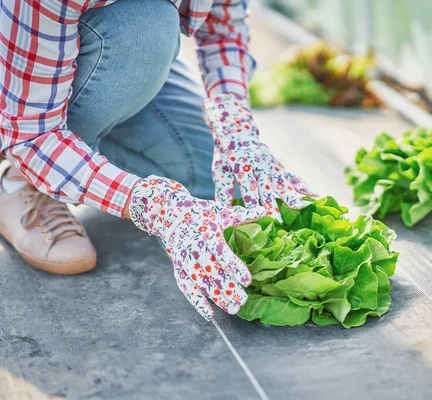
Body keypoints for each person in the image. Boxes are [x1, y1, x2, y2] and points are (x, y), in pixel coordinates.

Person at [0, 0, 315, 321]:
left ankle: (82, 142)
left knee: (207, 175)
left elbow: (223, 26)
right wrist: (152, 204)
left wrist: (233, 120)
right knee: (145, 27)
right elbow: (30, 134)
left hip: (108, 44)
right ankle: (20, 179)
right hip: (23, 76)